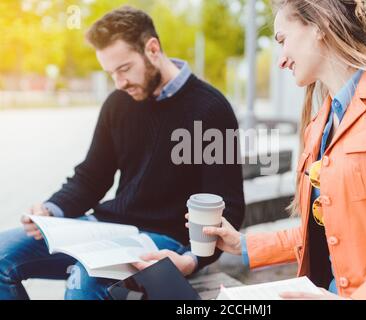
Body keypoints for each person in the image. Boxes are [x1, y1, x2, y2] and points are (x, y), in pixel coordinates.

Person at [200, 0, 366, 300]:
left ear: (319, 27)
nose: (281, 60)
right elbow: (329, 232)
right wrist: (240, 245)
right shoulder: (318, 127)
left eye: (283, 40)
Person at [0, 6, 245, 300]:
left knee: (84, 279)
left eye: (124, 69)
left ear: (152, 49)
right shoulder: (118, 102)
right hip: (107, 229)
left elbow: (228, 206)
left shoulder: (210, 109)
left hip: (165, 240)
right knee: (2, 255)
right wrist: (50, 211)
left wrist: (194, 260)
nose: (119, 83)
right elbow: (91, 177)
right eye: (111, 73)